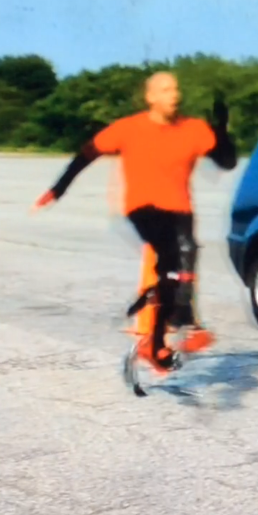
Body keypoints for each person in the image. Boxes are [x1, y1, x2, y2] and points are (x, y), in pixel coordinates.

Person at [31, 71, 237, 371]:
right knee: (172, 257)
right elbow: (85, 155)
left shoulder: (193, 129)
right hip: (143, 208)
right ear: (150, 97)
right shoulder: (129, 128)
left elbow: (227, 161)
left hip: (180, 209)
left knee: (185, 256)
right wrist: (57, 190)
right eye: (165, 90)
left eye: (176, 89)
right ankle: (165, 333)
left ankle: (173, 325)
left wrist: (221, 130)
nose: (174, 95)